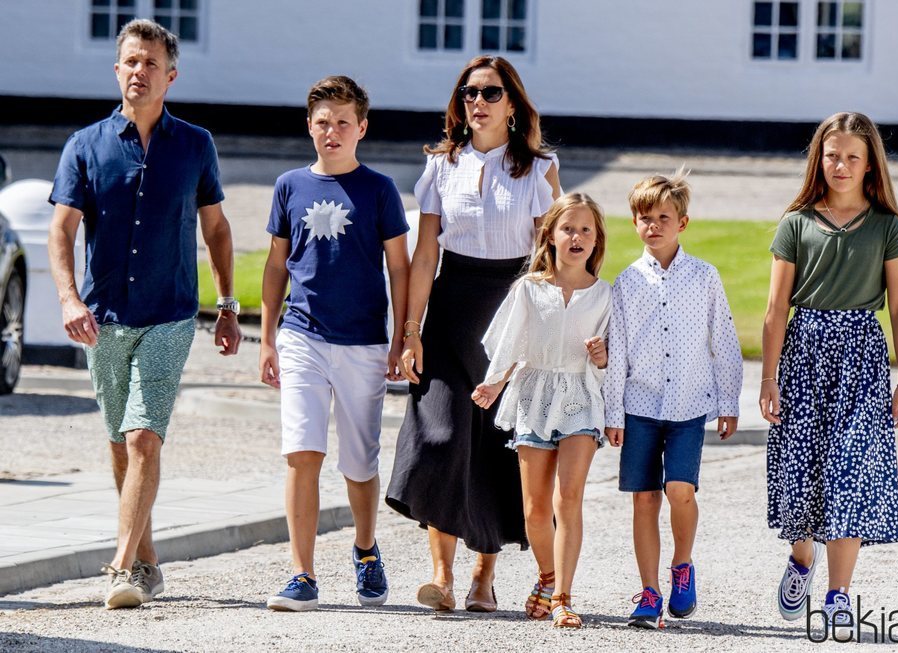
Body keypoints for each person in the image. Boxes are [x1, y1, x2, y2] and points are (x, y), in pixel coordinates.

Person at [47, 19, 241, 609]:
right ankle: (149, 556)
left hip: (170, 314)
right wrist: (68, 298)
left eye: (151, 63)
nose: (139, 71)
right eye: (130, 61)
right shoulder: (85, 144)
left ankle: (122, 567)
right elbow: (61, 230)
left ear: (170, 75)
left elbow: (216, 228)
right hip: (102, 317)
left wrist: (228, 306)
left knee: (143, 440)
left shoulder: (196, 145)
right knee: (118, 440)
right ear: (118, 71)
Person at [385, 55, 561, 613]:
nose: (477, 103)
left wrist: (548, 331)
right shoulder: (442, 166)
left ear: (512, 104)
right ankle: (441, 574)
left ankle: (484, 577)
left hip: (513, 309)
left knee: (493, 447)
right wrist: (410, 330)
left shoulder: (539, 169)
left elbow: (549, 256)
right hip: (453, 307)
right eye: (468, 93)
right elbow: (425, 251)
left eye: (489, 93)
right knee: (439, 437)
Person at [760, 112, 898, 638]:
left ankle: (838, 593)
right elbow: (776, 307)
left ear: (870, 162)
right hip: (804, 354)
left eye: (853, 156)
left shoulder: (888, 226)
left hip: (862, 359)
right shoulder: (796, 223)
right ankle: (802, 557)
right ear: (818, 159)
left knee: (850, 471)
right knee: (803, 471)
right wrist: (768, 378)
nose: (841, 165)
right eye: (832, 156)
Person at [259, 76, 410, 611]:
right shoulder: (289, 186)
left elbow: (399, 266)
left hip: (364, 342)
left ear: (361, 128)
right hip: (301, 334)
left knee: (359, 462)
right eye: (323, 121)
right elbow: (277, 264)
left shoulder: (379, 189)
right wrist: (268, 338)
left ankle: (365, 549)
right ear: (309, 125)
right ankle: (302, 573)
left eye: (343, 122)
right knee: (302, 453)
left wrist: (402, 336)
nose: (333, 131)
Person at [604, 170, 743, 629]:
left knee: (679, 490)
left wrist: (728, 402)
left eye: (664, 217)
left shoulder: (705, 277)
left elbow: (722, 341)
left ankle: (682, 566)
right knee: (644, 500)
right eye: (645, 218)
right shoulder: (625, 283)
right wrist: (612, 412)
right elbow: (618, 350)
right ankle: (649, 591)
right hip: (639, 406)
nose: (654, 226)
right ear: (634, 223)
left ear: (682, 223)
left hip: (687, 406)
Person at [472, 192, 611, 628]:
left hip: (581, 397)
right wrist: (495, 383)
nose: (577, 237)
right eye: (568, 228)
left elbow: (616, 360)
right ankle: (547, 577)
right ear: (549, 234)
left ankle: (564, 597)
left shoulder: (605, 294)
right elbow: (510, 342)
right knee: (535, 508)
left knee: (568, 497)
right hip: (534, 396)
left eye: (586, 229)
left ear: (596, 240)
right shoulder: (529, 290)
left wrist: (602, 356)